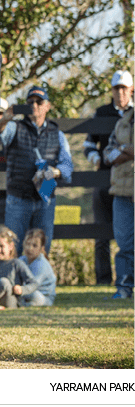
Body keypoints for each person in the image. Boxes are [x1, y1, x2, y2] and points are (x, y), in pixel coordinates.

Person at [0, 85, 73, 255]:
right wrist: (5, 119)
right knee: (13, 250)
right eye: (30, 101)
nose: (35, 105)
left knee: (41, 251)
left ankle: (39, 282)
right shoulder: (15, 127)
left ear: (47, 106)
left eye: (39, 102)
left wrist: (55, 172)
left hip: (45, 199)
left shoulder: (57, 133)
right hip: (18, 198)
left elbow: (68, 166)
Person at [83, 70, 134, 285]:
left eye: (124, 88)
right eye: (116, 88)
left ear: (131, 90)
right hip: (104, 178)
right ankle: (103, 279)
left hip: (130, 181)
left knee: (128, 236)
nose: (120, 92)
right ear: (112, 90)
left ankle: (127, 281)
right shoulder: (102, 112)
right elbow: (88, 144)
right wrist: (96, 158)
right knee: (102, 234)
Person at [102, 97, 134, 300]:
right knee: (124, 244)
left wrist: (125, 151)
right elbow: (107, 152)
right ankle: (123, 288)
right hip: (122, 191)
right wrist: (126, 151)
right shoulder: (124, 120)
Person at [0, 226, 39, 309]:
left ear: (10, 246)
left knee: (3, 282)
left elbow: (34, 283)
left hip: (10, 300)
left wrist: (22, 289)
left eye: (1, 246)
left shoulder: (16, 263)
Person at [18, 228, 56, 307]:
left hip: (43, 296)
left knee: (35, 296)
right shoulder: (21, 260)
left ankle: (21, 303)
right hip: (26, 291)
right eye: (27, 244)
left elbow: (33, 286)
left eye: (34, 245)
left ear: (42, 248)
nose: (30, 248)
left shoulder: (41, 264)